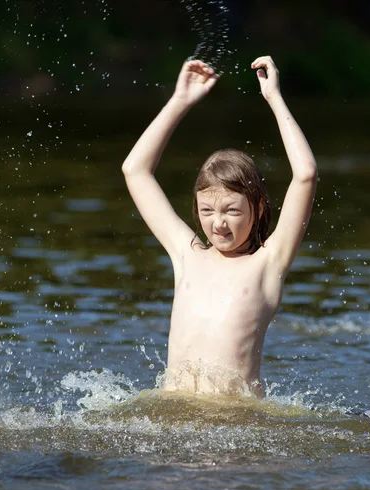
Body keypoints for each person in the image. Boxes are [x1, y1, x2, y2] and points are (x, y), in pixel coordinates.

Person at [122, 56, 317, 399]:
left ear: (257, 209)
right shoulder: (186, 254)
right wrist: (180, 101)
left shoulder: (268, 264)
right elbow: (135, 170)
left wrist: (274, 97)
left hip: (236, 423)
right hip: (175, 416)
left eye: (231, 210)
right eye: (207, 210)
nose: (218, 222)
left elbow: (306, 175)